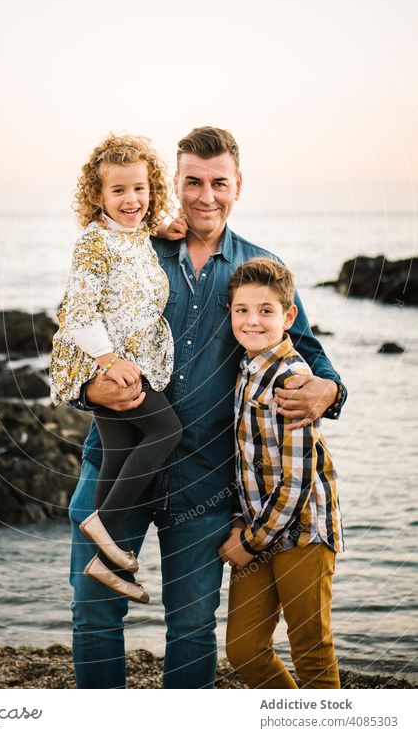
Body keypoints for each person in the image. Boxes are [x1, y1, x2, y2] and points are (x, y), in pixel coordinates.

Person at [68, 126, 347, 689]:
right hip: (114, 464)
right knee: (95, 617)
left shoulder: (260, 269)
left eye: (218, 182)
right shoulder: (135, 251)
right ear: (174, 182)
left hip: (205, 483)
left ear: (238, 184)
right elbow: (76, 328)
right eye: (191, 182)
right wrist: (89, 389)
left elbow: (313, 356)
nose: (204, 196)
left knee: (192, 629)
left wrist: (330, 391)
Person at [50, 134, 182, 604]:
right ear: (99, 196)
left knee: (118, 452)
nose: (132, 200)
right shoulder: (93, 243)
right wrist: (109, 361)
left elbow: (141, 237)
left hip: (132, 360)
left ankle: (105, 565)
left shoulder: (138, 235)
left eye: (140, 189)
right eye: (119, 191)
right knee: (166, 433)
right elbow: (78, 315)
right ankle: (99, 527)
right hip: (105, 365)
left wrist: (160, 229)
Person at [218, 257, 343, 688]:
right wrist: (241, 524)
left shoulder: (292, 379)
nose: (252, 321)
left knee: (310, 647)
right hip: (259, 529)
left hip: (304, 531)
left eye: (266, 311)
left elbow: (298, 481)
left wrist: (250, 543)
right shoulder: (246, 368)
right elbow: (246, 461)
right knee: (245, 648)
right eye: (242, 310)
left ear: (289, 316)